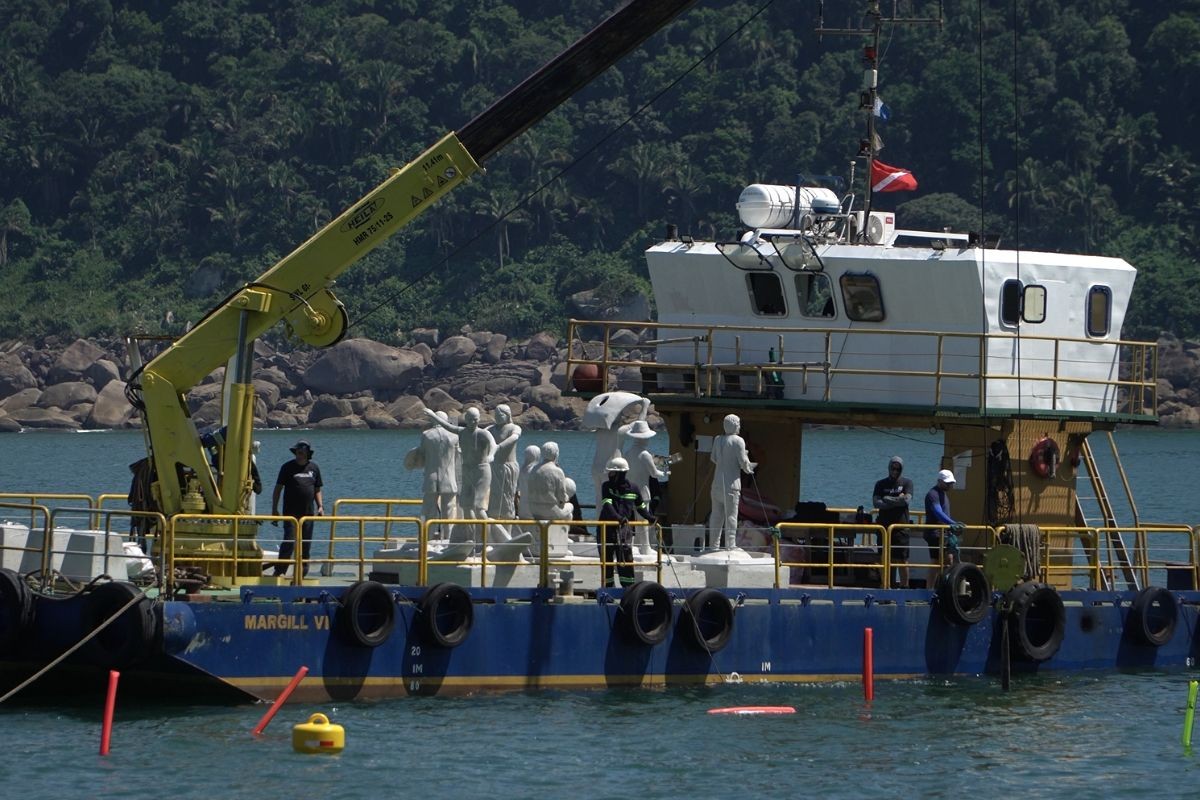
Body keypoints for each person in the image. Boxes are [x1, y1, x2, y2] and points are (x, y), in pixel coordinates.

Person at [426, 407, 496, 547]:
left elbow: (493, 445)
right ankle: (472, 537)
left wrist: (491, 455)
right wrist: (433, 415)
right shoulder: (461, 432)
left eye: (475, 419)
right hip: (467, 470)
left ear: (479, 419)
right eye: (470, 419)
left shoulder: (483, 433)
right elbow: (447, 425)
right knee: (465, 505)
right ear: (465, 419)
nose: (472, 422)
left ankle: (486, 539)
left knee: (478, 506)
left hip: (482, 470)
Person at [597, 456, 653, 588]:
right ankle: (608, 590)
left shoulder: (633, 488)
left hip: (624, 530)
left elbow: (640, 507)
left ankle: (628, 590)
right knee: (607, 561)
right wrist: (618, 517)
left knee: (626, 559)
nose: (609, 475)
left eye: (611, 472)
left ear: (620, 474)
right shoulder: (607, 487)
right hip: (606, 529)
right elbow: (607, 505)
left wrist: (650, 517)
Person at [270, 440, 323, 578]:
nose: (299, 455)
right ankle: (280, 571)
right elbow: (278, 489)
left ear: (307, 453)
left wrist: (320, 506)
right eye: (297, 452)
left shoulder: (314, 468)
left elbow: (317, 489)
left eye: (302, 452)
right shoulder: (287, 467)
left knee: (305, 545)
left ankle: (301, 573)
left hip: (308, 514)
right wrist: (274, 509)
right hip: (291, 514)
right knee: (289, 541)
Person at [406, 410, 460, 537]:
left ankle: (426, 536)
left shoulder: (427, 435)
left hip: (431, 477)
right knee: (449, 508)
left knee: (428, 509)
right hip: (449, 477)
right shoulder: (454, 436)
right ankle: (448, 536)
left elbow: (422, 454)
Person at [708, 414, 755, 549]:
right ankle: (730, 545)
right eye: (739, 424)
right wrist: (748, 464)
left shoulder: (718, 439)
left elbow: (713, 458)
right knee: (731, 517)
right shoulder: (739, 441)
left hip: (716, 484)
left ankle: (714, 546)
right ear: (734, 425)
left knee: (716, 516)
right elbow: (743, 464)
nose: (740, 426)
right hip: (731, 486)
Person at [622, 418, 665, 555]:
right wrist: (663, 472)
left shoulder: (627, 453)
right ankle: (645, 547)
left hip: (629, 492)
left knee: (631, 520)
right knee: (643, 520)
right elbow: (654, 473)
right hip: (643, 492)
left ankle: (631, 545)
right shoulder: (645, 455)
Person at [872, 455, 913, 588]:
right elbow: (876, 503)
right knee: (885, 559)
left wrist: (887, 499)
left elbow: (906, 500)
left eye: (898, 469)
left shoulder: (907, 483)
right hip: (884, 529)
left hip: (901, 528)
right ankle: (886, 587)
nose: (895, 471)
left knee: (902, 560)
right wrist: (897, 500)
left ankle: (904, 588)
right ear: (889, 468)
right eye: (893, 468)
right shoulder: (880, 484)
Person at [924, 468, 964, 585]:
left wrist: (950, 527)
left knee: (949, 559)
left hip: (945, 533)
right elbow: (938, 512)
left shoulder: (943, 494)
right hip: (935, 533)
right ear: (939, 481)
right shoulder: (933, 494)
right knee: (936, 561)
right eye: (947, 483)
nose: (949, 485)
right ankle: (929, 589)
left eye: (951, 483)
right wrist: (953, 523)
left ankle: (946, 586)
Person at [487, 404, 522, 519]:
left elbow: (515, 437)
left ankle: (508, 517)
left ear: (507, 415)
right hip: (494, 466)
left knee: (507, 494)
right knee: (494, 494)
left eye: (500, 414)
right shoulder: (491, 429)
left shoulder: (514, 428)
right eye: (496, 414)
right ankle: (493, 515)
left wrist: (498, 447)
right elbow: (478, 434)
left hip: (508, 467)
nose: (497, 417)